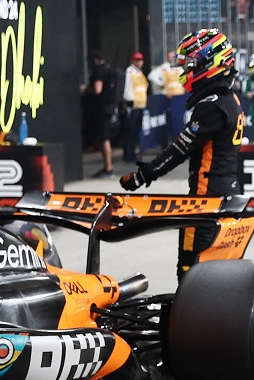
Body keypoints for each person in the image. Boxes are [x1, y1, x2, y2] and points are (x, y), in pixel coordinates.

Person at [120, 29, 244, 280]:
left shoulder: (212, 105)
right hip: (226, 194)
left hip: (205, 202)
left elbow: (179, 150)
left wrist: (143, 175)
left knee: (191, 274)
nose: (185, 72)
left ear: (209, 63)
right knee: (221, 274)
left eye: (190, 65)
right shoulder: (229, 98)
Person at [84, 50, 118, 177]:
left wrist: (86, 89)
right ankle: (107, 167)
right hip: (110, 107)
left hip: (102, 108)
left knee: (104, 138)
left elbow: (98, 89)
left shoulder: (100, 71)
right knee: (105, 137)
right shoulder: (111, 70)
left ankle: (108, 168)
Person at [122, 51, 148, 163]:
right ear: (132, 61)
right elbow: (126, 88)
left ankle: (133, 153)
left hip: (140, 104)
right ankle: (128, 154)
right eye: (137, 60)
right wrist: (128, 102)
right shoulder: (130, 72)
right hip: (133, 105)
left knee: (136, 131)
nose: (139, 62)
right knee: (130, 131)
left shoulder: (139, 72)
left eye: (141, 60)